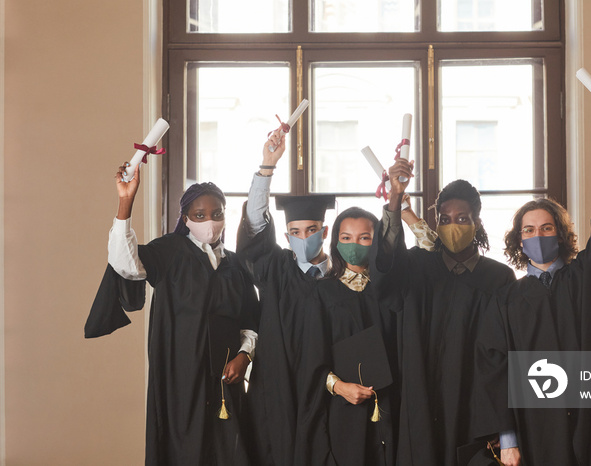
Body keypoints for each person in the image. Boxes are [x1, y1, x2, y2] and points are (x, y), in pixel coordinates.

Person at [473, 106, 591, 466]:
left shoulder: (589, 277)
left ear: (561, 233)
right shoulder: (506, 301)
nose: (538, 235)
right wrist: (508, 440)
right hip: (537, 424)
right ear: (518, 241)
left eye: (546, 228)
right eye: (529, 230)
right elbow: (495, 371)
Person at [85, 164, 260, 465]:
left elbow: (251, 322)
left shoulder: (236, 266)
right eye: (200, 215)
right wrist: (125, 203)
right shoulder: (170, 252)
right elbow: (125, 263)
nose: (209, 221)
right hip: (180, 378)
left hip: (225, 380)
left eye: (217, 213)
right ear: (185, 218)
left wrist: (244, 356)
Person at [370, 160, 516, 466]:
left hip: (476, 409)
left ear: (477, 220)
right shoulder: (415, 267)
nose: (453, 226)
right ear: (435, 222)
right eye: (445, 218)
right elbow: (384, 272)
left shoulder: (498, 278)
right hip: (421, 401)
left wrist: (506, 433)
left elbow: (507, 358)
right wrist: (395, 199)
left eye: (462, 218)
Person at [236, 129, 336, 465]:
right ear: (287, 234)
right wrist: (267, 167)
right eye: (294, 232)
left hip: (325, 393)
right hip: (275, 390)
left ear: (324, 230)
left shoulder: (341, 278)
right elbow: (253, 230)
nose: (303, 238)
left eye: (311, 230)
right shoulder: (276, 267)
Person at [300, 207, 399, 466]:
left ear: (376, 241)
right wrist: (340, 387)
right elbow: (312, 357)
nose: (354, 244)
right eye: (346, 237)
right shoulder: (322, 294)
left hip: (391, 404)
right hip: (343, 407)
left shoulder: (390, 292)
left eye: (364, 237)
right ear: (335, 241)